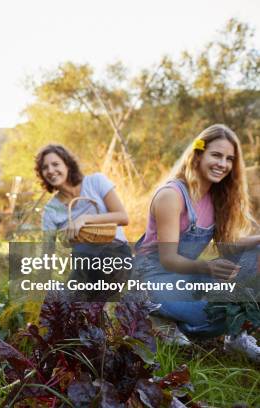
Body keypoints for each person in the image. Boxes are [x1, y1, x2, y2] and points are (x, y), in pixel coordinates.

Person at [134, 124, 259, 360]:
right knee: (219, 312)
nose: (223, 164)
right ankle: (155, 316)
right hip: (153, 278)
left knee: (252, 271)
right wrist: (208, 268)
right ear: (198, 154)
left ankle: (235, 339)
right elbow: (168, 259)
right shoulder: (172, 195)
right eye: (216, 155)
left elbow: (228, 245)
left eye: (229, 159)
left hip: (186, 275)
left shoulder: (216, 197)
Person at [36, 144, 130, 300]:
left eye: (55, 164)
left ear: (67, 164)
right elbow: (48, 251)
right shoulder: (51, 210)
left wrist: (85, 219)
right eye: (45, 168)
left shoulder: (96, 182)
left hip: (116, 253)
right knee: (61, 301)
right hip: (84, 264)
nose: (50, 170)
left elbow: (123, 217)